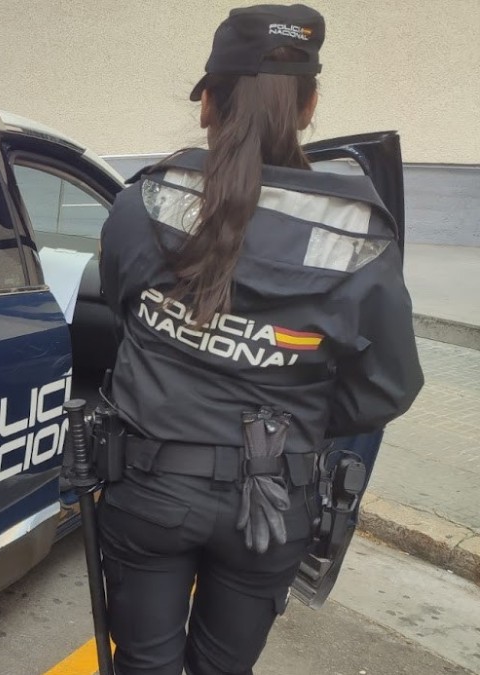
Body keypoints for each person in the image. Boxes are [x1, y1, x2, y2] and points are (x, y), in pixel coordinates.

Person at [96, 4, 423, 674]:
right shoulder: (358, 238)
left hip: (149, 487)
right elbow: (388, 385)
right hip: (273, 500)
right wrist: (296, 409)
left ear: (208, 103)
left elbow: (123, 313)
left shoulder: (143, 204)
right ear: (308, 107)